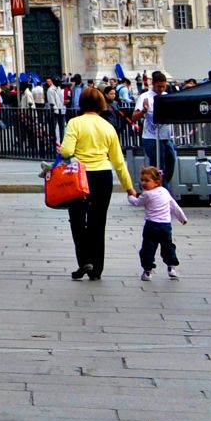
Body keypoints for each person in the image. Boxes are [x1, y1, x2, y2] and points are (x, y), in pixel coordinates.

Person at [58, 85, 135, 280]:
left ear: (81, 103)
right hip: (102, 176)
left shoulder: (75, 123)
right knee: (98, 222)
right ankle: (97, 269)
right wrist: (129, 187)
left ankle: (84, 261)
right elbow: (118, 161)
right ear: (101, 103)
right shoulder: (108, 127)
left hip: (80, 177)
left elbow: (67, 152)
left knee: (77, 220)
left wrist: (65, 150)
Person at [127, 164, 188, 281]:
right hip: (166, 226)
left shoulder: (146, 194)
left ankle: (147, 270)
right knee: (168, 247)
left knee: (148, 249)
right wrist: (182, 218)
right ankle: (171, 266)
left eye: (147, 180)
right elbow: (174, 206)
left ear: (156, 182)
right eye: (142, 180)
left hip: (151, 226)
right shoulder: (164, 191)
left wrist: (130, 196)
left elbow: (137, 203)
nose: (143, 183)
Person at [137, 70, 174, 180]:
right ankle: (161, 189)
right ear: (153, 84)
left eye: (164, 86)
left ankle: (163, 185)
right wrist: (144, 111)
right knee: (158, 168)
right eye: (159, 87)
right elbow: (134, 117)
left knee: (171, 162)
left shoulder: (167, 96)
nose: (161, 89)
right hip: (151, 138)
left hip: (166, 137)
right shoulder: (145, 96)